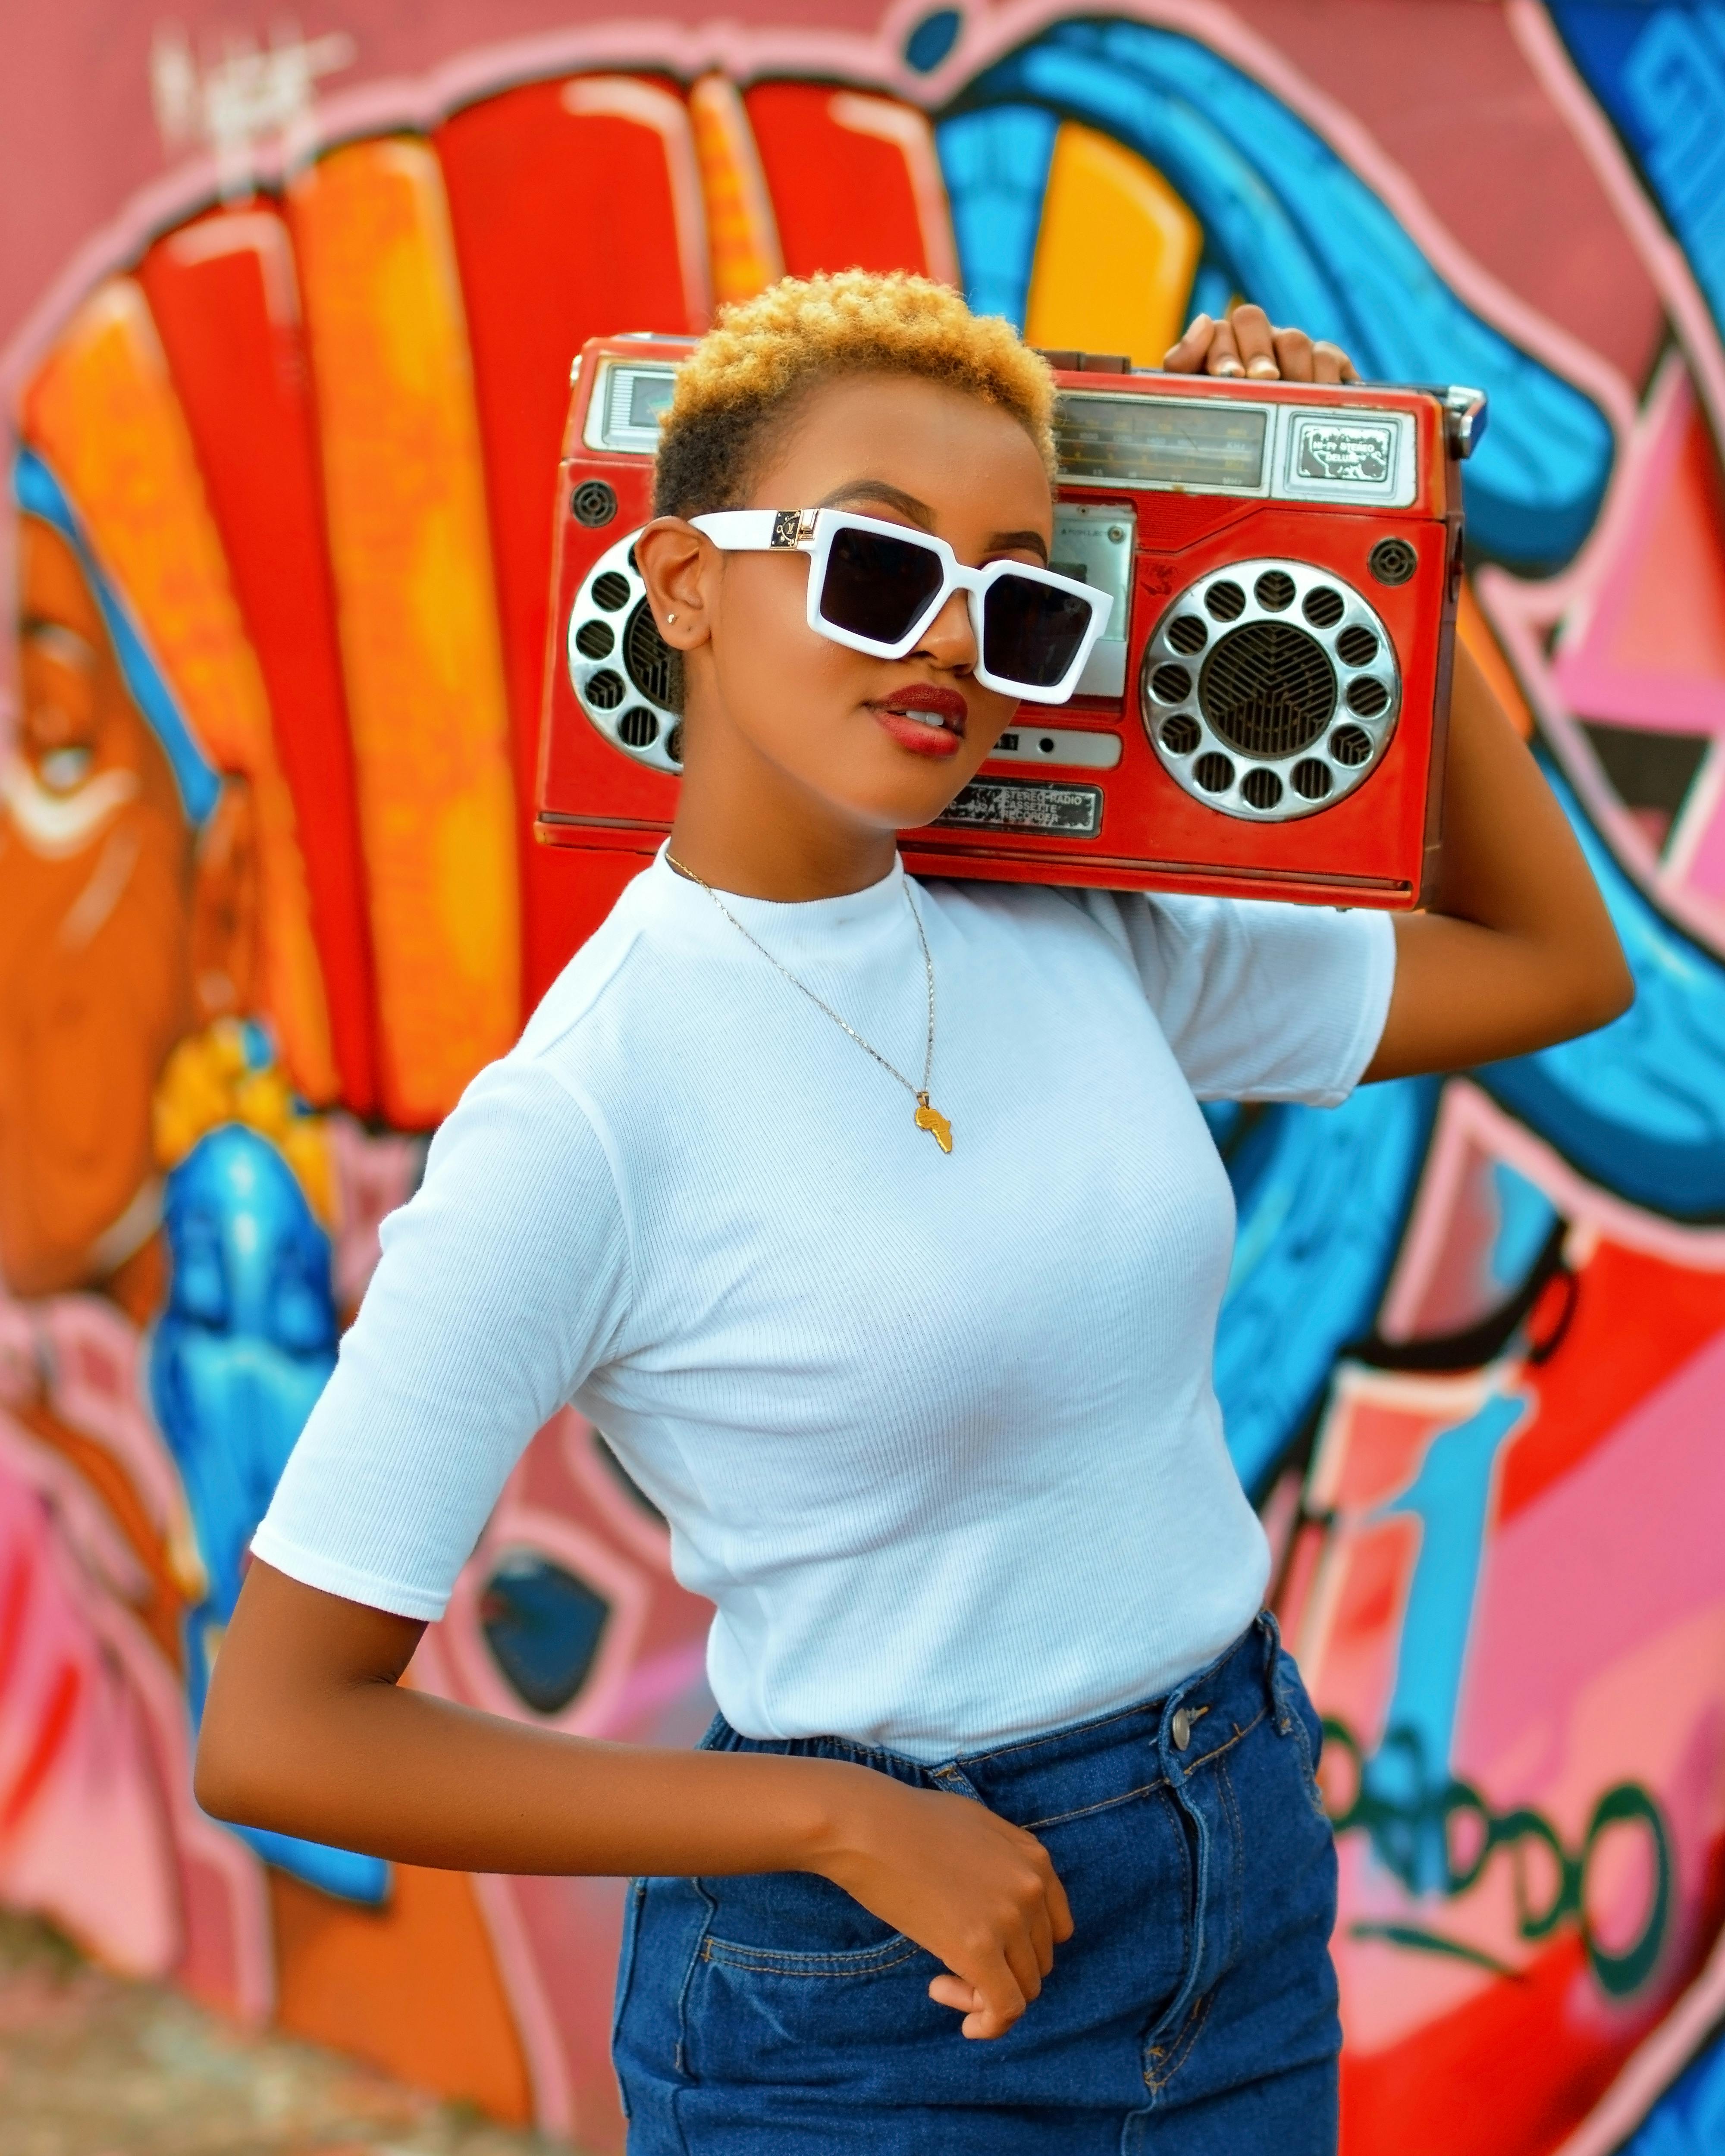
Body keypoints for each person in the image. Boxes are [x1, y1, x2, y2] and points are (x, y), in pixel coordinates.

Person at [196, 276, 1631, 2152]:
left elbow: (1561, 964)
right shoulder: (583, 1116)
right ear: (680, 583)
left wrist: (1360, 535)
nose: (951, 633)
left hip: (1235, 1872)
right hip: (871, 1993)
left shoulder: (1077, 925)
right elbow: (284, 1725)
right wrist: (838, 1816)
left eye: (1021, 600)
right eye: (877, 565)